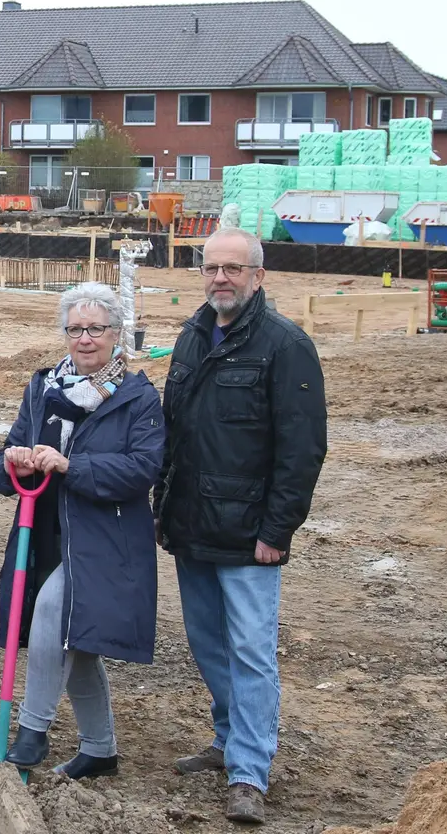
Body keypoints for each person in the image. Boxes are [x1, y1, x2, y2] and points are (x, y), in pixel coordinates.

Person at [155, 228, 328, 824]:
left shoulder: (285, 345)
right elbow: (174, 430)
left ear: (259, 277)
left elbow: (302, 450)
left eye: (234, 268)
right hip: (192, 525)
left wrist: (277, 532)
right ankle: (229, 737)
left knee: (252, 651)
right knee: (207, 645)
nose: (220, 278)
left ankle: (250, 773)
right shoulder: (191, 336)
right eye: (211, 268)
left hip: (250, 536)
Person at [0, 282, 166, 779]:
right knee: (77, 641)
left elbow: (141, 471)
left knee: (56, 611)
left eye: (96, 329)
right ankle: (99, 749)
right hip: (45, 532)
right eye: (75, 329)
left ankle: (32, 731)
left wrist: (71, 466)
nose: (85, 339)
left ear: (116, 335)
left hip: (107, 540)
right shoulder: (42, 388)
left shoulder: (137, 398)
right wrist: (18, 464)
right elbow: (7, 465)